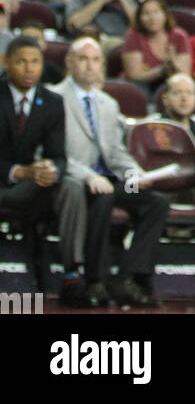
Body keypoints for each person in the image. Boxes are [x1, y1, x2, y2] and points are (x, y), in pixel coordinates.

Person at [55, 37, 170, 305]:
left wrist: (134, 173)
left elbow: (116, 151)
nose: (90, 66)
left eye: (96, 60)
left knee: (156, 203)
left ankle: (129, 277)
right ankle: (95, 280)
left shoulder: (108, 104)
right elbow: (55, 154)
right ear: (69, 62)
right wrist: (88, 175)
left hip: (109, 178)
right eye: (83, 59)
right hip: (76, 179)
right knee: (103, 196)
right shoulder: (54, 97)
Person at [0, 35, 89, 305]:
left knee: (72, 185)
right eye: (22, 62)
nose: (29, 69)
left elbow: (59, 156)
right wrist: (20, 171)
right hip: (6, 182)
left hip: (34, 185)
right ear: (6, 63)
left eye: (35, 62)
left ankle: (72, 272)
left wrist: (51, 170)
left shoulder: (51, 102)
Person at [121, 0, 192, 92]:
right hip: (141, 85)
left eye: (156, 12)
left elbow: (186, 75)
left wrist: (174, 61)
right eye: (146, 13)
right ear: (139, 18)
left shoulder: (179, 36)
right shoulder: (133, 36)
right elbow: (134, 76)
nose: (152, 18)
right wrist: (162, 70)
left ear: (165, 15)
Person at [160, 72, 195, 147]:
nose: (184, 98)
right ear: (165, 99)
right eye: (177, 93)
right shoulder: (152, 131)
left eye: (189, 93)